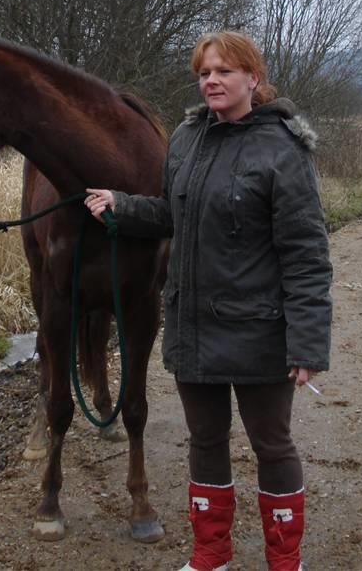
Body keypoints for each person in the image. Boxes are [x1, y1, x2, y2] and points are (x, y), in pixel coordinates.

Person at [85, 31, 332, 571]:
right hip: (195, 325)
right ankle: (211, 555)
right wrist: (122, 206)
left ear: (252, 78)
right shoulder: (188, 138)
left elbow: (307, 254)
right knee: (204, 440)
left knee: (273, 446)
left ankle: (285, 562)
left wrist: (308, 341)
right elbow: (174, 217)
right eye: (204, 73)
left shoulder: (282, 148)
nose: (212, 81)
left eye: (223, 71)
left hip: (261, 329)